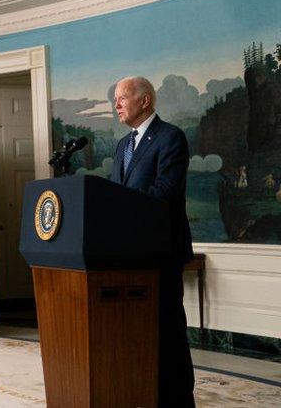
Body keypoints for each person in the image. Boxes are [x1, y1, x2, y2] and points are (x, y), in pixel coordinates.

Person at [110, 76, 194, 405]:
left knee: (168, 332)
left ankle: (179, 401)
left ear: (145, 101)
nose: (116, 104)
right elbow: (114, 195)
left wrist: (120, 207)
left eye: (122, 97)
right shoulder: (122, 147)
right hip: (128, 256)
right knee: (138, 334)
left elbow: (163, 195)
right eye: (115, 98)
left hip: (161, 253)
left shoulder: (170, 138)